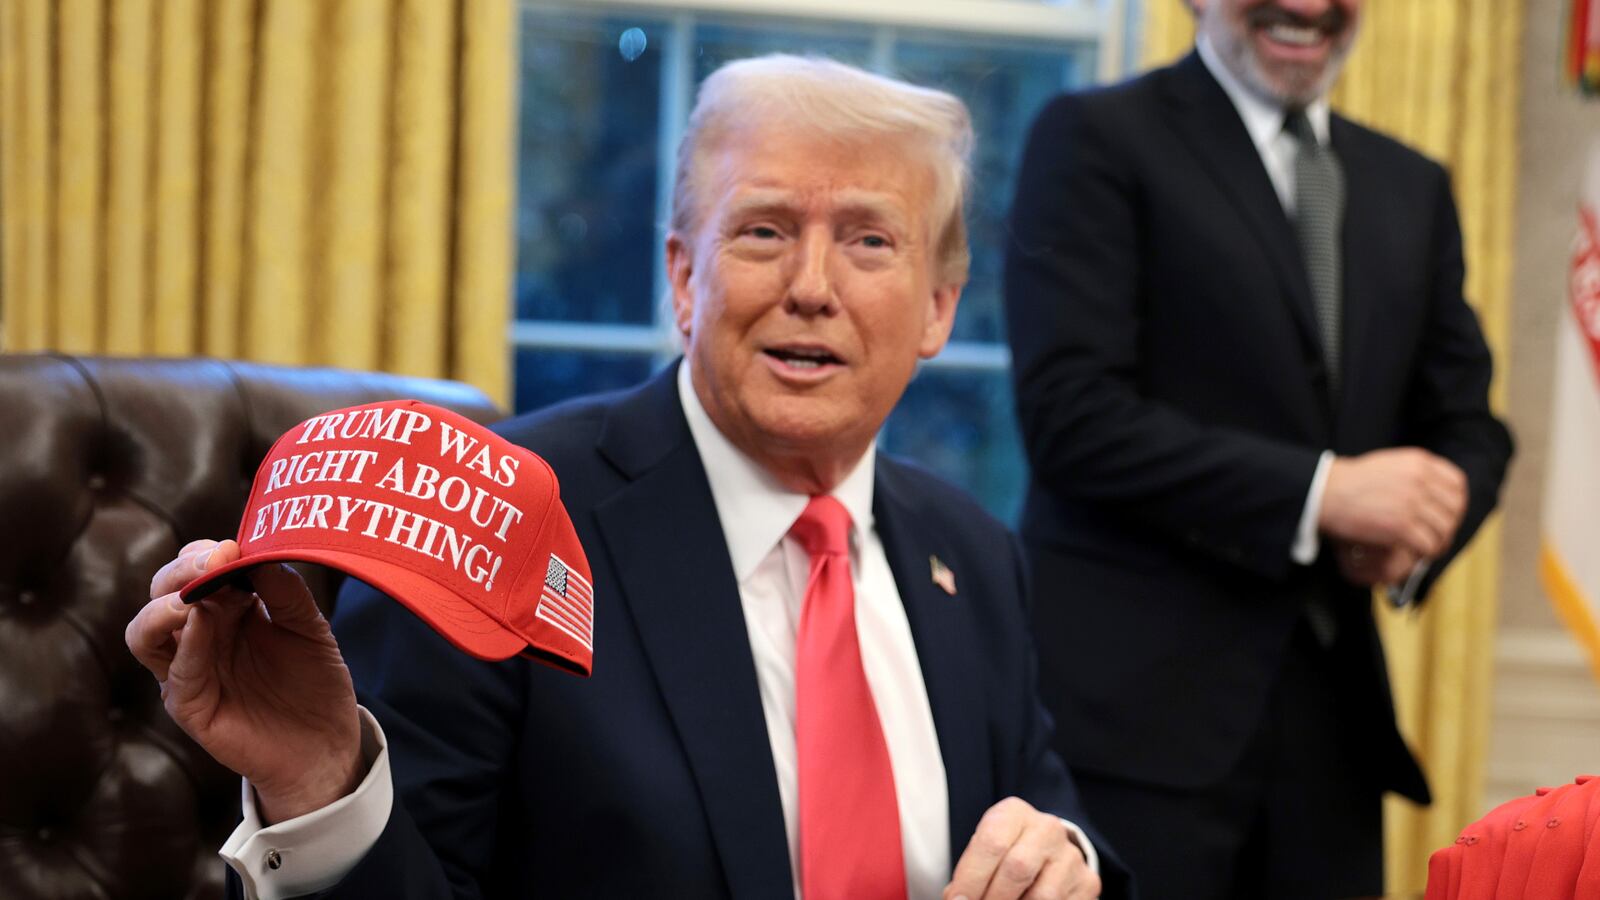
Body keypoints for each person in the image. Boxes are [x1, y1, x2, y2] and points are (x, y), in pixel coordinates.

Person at [128, 55, 1126, 900]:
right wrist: (320, 784)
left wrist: (1068, 860)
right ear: (686, 278)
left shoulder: (975, 553)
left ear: (939, 310)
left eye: (869, 240)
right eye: (764, 231)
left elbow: (1049, 815)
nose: (813, 288)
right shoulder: (499, 520)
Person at [1003, 1, 1513, 898]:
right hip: (1131, 733)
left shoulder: (1412, 184)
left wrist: (1422, 522)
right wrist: (1324, 497)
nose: (1309, 6)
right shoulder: (1095, 138)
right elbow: (1071, 417)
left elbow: (1471, 425)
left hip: (1335, 743)